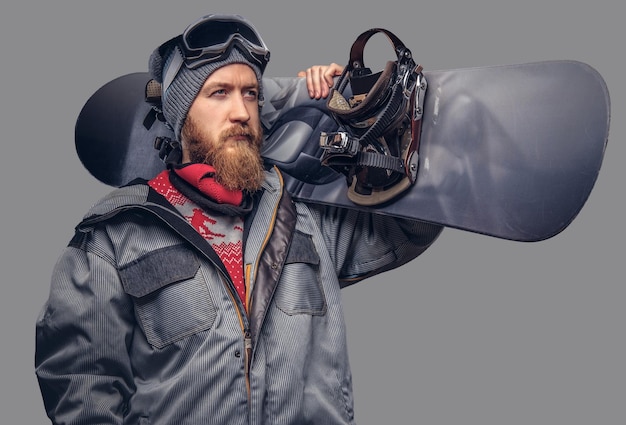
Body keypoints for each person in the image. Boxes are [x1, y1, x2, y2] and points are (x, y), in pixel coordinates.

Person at [35, 13, 442, 425]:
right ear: (182, 117)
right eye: (219, 94)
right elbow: (79, 381)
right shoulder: (116, 236)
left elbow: (412, 226)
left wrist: (348, 111)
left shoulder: (305, 215)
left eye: (250, 94)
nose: (241, 112)